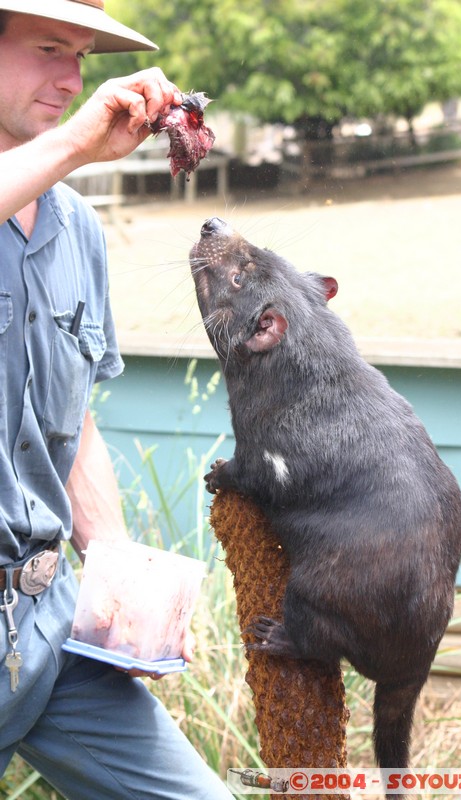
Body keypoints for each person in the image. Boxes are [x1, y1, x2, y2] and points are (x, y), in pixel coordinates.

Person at [0, 2, 234, 798]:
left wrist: (120, 580)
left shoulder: (76, 227)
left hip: (44, 621)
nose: (73, 80)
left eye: (83, 56)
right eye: (48, 50)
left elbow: (72, 417)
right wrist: (73, 145)